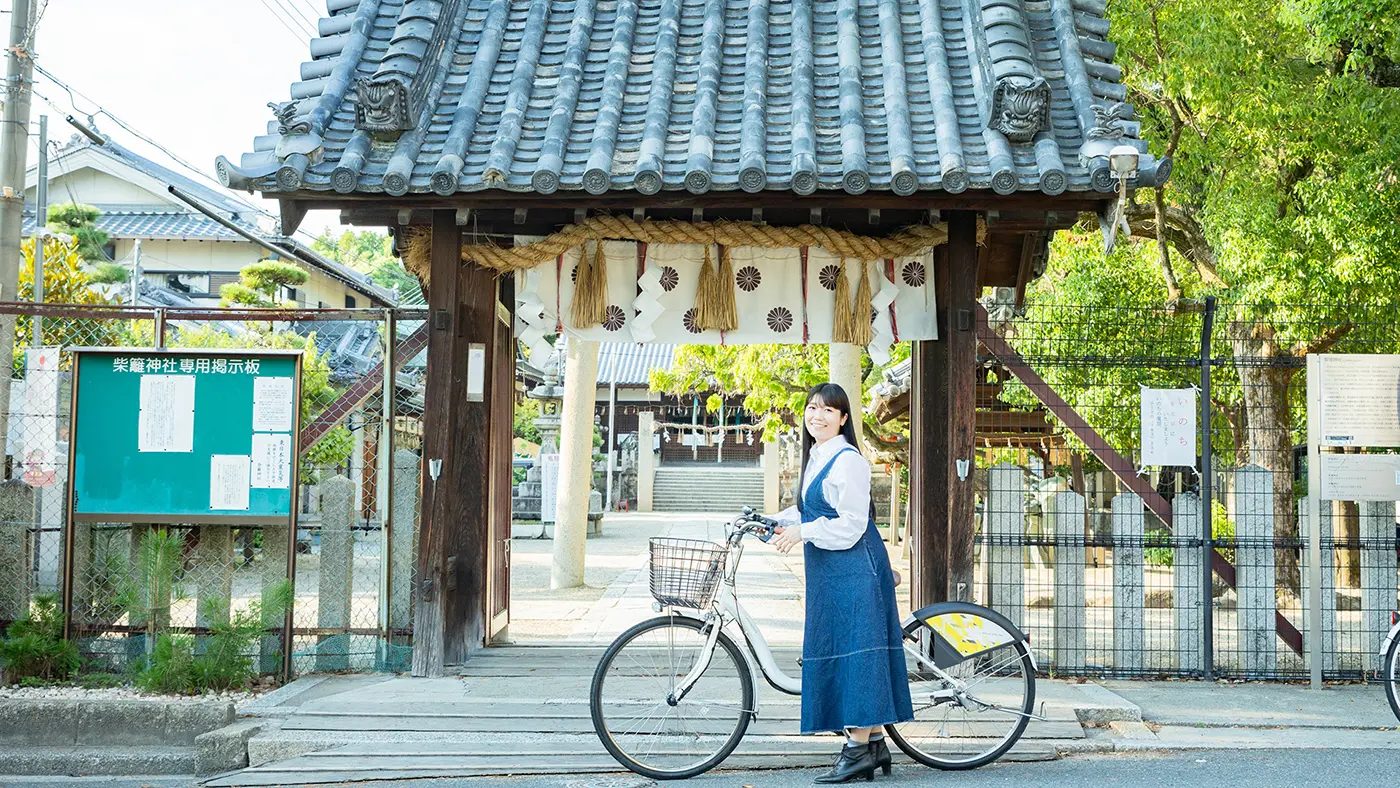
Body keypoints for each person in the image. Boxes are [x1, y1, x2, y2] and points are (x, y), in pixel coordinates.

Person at [769, 383, 913, 783]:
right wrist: (772, 522)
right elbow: (809, 509)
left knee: (859, 656)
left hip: (855, 567)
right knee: (844, 649)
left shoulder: (848, 460)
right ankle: (875, 743)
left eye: (828, 410)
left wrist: (803, 533)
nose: (817, 415)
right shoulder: (817, 455)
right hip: (831, 572)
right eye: (812, 408)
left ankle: (855, 752)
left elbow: (851, 525)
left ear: (844, 419)